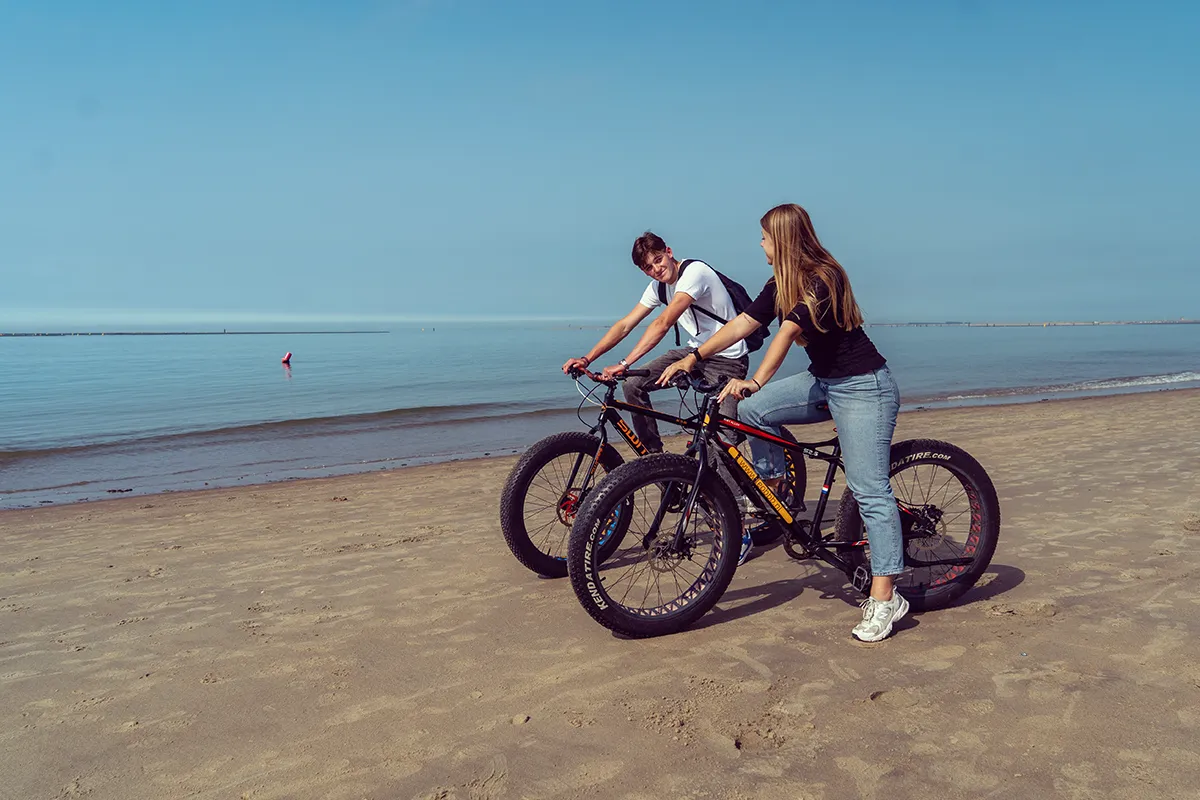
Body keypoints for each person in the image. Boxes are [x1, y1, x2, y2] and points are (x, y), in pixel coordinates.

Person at [657, 204, 906, 643]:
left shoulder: (823, 277)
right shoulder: (779, 283)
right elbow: (743, 324)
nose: (760, 245)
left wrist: (753, 380)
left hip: (864, 387)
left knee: (870, 490)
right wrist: (693, 357)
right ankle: (776, 494)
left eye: (764, 238)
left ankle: (887, 599)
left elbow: (788, 333)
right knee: (755, 413)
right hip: (824, 381)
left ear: (783, 239)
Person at [561, 232, 750, 455]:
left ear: (669, 252)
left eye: (658, 260)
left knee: (722, 445)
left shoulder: (694, 272)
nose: (656, 269)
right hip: (693, 353)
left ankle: (742, 488)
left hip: (727, 360)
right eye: (649, 268)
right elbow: (625, 325)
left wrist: (625, 362)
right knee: (633, 385)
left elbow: (663, 323)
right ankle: (654, 460)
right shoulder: (657, 288)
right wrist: (586, 359)